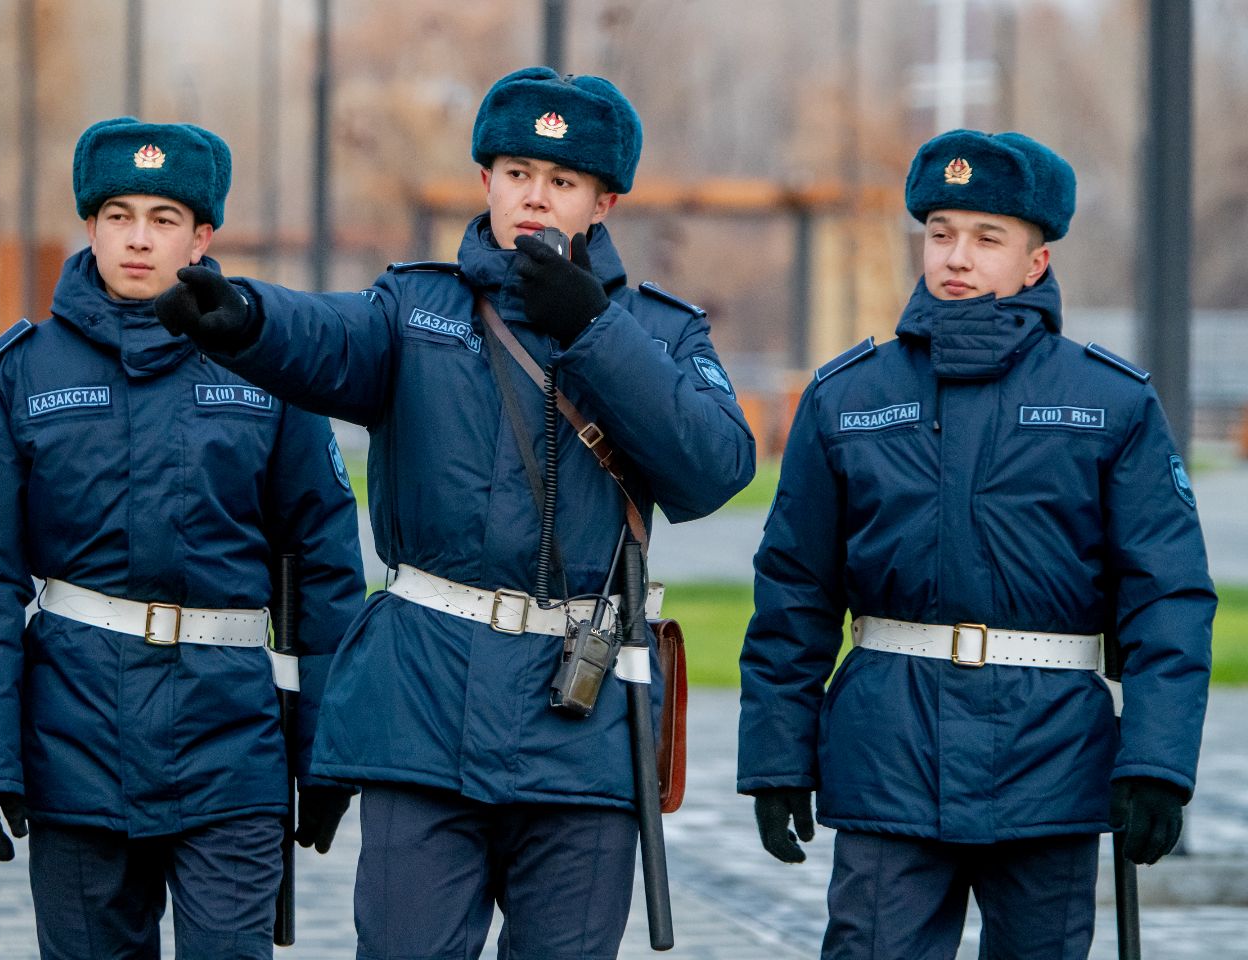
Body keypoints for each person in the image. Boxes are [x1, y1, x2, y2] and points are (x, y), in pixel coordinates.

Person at [154, 66, 756, 959]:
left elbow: (714, 467)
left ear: (605, 202)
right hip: (423, 709)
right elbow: (325, 340)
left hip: (583, 725)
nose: (535, 198)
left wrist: (594, 329)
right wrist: (244, 314)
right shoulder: (416, 306)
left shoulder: (662, 333)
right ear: (486, 181)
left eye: (561, 183)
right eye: (517, 174)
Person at [737, 128, 1215, 958]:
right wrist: (777, 753)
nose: (957, 256)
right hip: (888, 753)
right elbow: (794, 591)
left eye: (987, 237)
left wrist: (1158, 762)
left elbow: (1166, 595)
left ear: (1036, 260)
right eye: (941, 232)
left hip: (1053, 759)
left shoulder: (1111, 403)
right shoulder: (847, 397)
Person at [0, 117, 366, 960]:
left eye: (164, 219)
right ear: (90, 226)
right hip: (75, 745)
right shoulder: (18, 375)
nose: (138, 239)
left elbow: (324, 567)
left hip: (233, 745)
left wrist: (327, 751)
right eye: (119, 215)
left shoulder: (269, 370)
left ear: (203, 237)